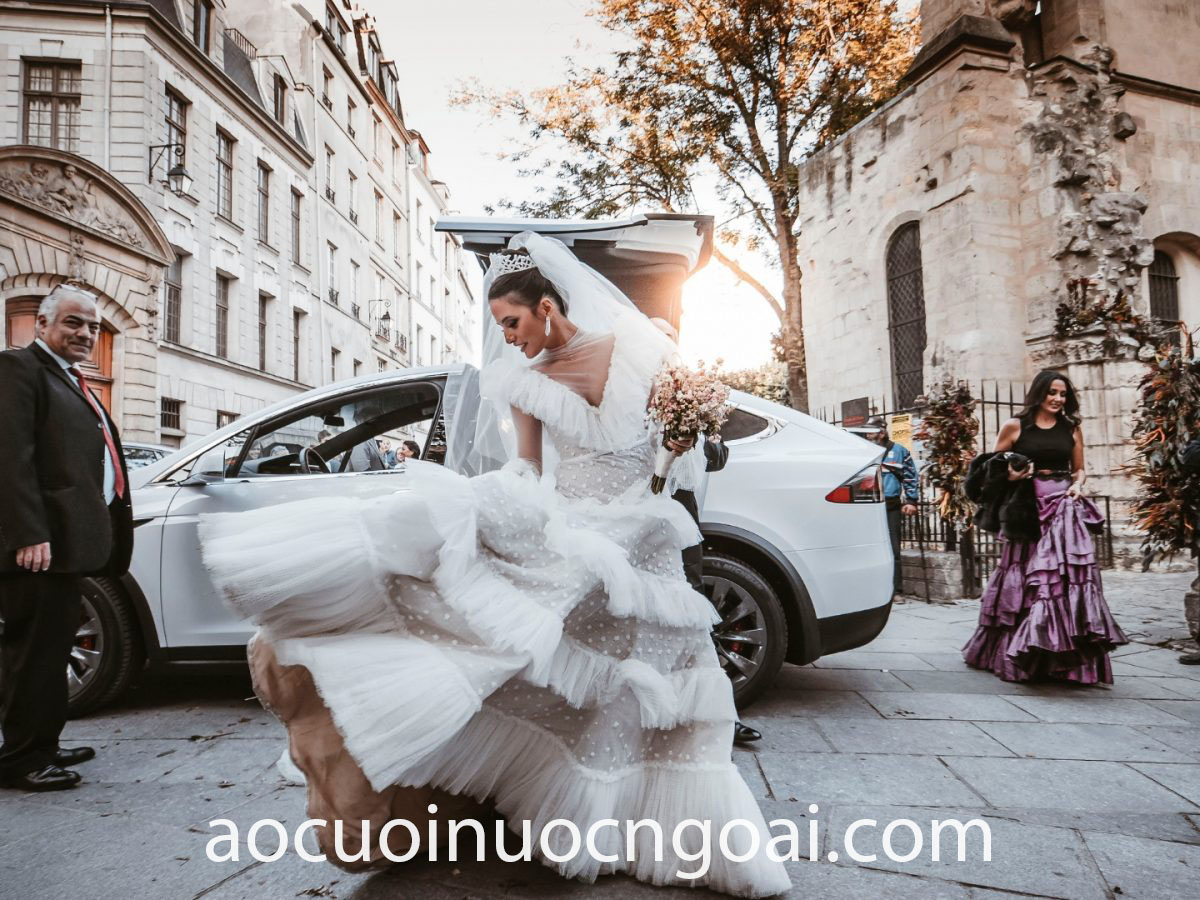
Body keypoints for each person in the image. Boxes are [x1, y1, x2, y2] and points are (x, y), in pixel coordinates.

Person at [200, 234, 790, 896]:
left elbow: (679, 455)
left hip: (646, 536)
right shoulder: (522, 383)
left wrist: (676, 443)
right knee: (554, 652)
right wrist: (485, 508)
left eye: (511, 322)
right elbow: (528, 473)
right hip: (577, 526)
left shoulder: (645, 351)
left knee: (653, 683)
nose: (507, 339)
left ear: (546, 307)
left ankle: (653, 821)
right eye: (501, 327)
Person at [0, 284, 133, 791]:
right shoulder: (19, 369)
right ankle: (19, 759)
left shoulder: (69, 378)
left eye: (92, 326)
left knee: (52, 651)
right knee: (32, 655)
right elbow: (10, 458)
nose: (85, 334)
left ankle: (44, 743)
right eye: (73, 322)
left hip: (68, 544)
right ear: (43, 324)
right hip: (40, 546)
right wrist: (28, 534)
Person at [962, 369, 1127, 683]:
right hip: (1027, 510)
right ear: (1039, 393)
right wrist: (1011, 475)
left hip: (1063, 507)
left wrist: (1078, 485)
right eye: (1052, 392)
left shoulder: (1071, 428)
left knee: (1062, 579)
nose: (1058, 399)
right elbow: (993, 468)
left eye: (1063, 394)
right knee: (1028, 576)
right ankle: (1022, 653)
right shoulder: (1015, 425)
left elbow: (1079, 469)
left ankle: (1062, 657)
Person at [648, 317, 761, 747]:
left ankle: (718, 716)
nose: (663, 347)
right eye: (654, 339)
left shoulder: (687, 393)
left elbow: (718, 454)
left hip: (681, 510)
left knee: (694, 610)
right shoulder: (625, 392)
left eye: (669, 339)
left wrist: (694, 438)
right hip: (639, 509)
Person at [864, 416, 919, 598]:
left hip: (891, 506)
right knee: (869, 549)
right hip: (867, 507)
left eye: (871, 432)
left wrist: (911, 501)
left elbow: (910, 476)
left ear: (881, 432)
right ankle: (874, 589)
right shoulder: (863, 451)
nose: (868, 435)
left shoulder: (900, 451)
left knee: (893, 548)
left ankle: (897, 590)